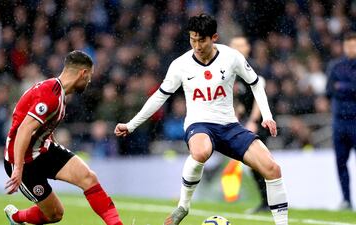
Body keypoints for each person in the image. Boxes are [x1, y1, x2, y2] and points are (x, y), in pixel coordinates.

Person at [114, 14, 288, 225]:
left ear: (214, 37)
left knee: (273, 169)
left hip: (230, 126)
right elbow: (159, 97)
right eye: (192, 39)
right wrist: (131, 125)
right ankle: (183, 206)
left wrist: (267, 116)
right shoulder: (180, 65)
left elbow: (256, 83)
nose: (196, 45)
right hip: (200, 124)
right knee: (201, 151)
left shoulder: (231, 57)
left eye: (201, 40)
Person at [3, 50, 123, 225]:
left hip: (43, 149)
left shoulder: (58, 93)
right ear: (83, 73)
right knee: (55, 214)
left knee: (88, 177)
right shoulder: (50, 96)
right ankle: (16, 217)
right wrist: (18, 168)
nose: (89, 81)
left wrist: (55, 148)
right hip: (23, 160)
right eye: (89, 76)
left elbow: (41, 127)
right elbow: (24, 130)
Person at [230, 36, 270, 213]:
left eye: (242, 45)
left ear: (248, 48)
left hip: (260, 121)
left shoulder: (254, 67)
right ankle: (265, 202)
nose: (239, 48)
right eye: (235, 46)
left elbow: (259, 95)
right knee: (253, 165)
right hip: (245, 122)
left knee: (262, 162)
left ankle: (272, 202)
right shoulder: (231, 69)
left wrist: (253, 121)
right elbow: (238, 98)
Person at [326, 32, 356, 210]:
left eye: (353, 45)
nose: (351, 49)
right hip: (339, 122)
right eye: (348, 45)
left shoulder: (337, 69)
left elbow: (339, 88)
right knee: (340, 162)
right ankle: (346, 200)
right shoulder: (335, 66)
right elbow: (329, 90)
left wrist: (343, 86)